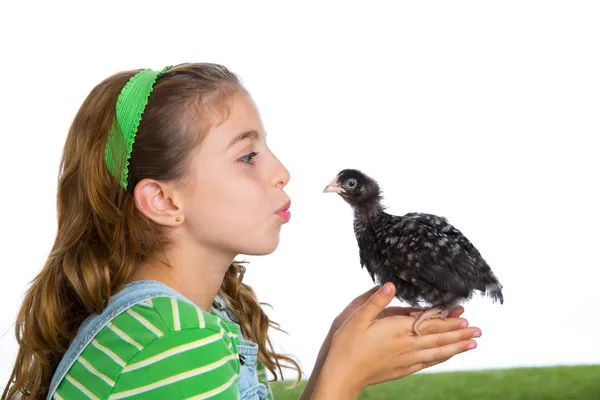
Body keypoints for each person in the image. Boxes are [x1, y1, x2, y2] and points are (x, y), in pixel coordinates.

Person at [2, 63, 481, 400]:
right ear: (164, 201)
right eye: (247, 156)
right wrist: (345, 376)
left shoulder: (197, 318)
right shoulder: (171, 342)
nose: (283, 172)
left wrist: (336, 355)